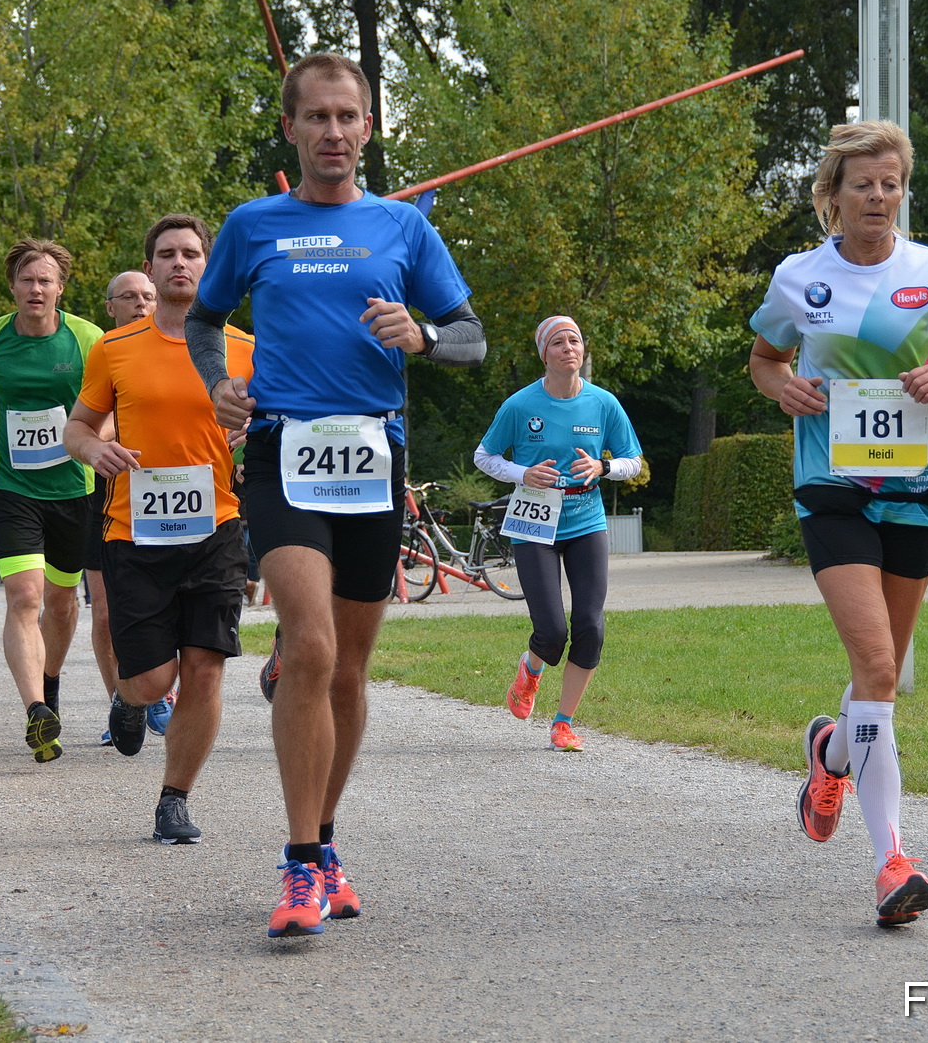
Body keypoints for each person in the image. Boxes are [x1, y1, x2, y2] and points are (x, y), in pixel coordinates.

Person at [186, 52, 487, 937]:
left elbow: (470, 338)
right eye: (314, 117)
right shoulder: (252, 224)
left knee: (349, 672)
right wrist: (217, 383)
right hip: (283, 455)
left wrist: (424, 334)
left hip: (372, 460)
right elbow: (205, 320)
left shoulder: (401, 228)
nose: (332, 132)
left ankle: (322, 838)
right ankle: (298, 864)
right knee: (310, 649)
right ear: (290, 129)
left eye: (346, 116)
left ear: (368, 128)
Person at [748, 121, 928, 928]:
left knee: (883, 676)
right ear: (833, 194)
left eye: (890, 183)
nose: (877, 196)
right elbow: (764, 360)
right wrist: (784, 387)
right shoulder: (800, 277)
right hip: (831, 486)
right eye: (862, 183)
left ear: (904, 191)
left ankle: (830, 753)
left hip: (918, 491)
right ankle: (891, 863)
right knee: (874, 664)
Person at [67, 214, 252, 844]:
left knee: (205, 667)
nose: (180, 263)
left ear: (209, 266)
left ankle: (175, 798)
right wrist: (94, 452)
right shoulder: (115, 349)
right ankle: (129, 698)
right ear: (148, 269)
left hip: (217, 527)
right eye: (167, 254)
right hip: (136, 531)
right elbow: (76, 428)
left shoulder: (245, 347)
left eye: (192, 254)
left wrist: (255, 430)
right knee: (153, 679)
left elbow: (283, 424)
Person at [0, 239, 103, 763]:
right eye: (27, 280)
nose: (36, 289)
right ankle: (36, 708)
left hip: (75, 490)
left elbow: (113, 405)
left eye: (46, 280)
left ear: (60, 287)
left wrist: (105, 450)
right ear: (12, 285)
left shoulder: (87, 339)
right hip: (12, 489)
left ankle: (49, 683)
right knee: (24, 599)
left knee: (60, 605)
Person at [474, 316, 643, 753]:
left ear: (583, 351)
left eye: (575, 340)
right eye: (558, 342)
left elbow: (633, 461)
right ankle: (530, 671)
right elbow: (484, 456)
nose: (569, 347)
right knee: (550, 632)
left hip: (586, 520)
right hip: (533, 523)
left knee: (590, 625)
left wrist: (603, 467)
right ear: (543, 354)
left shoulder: (604, 404)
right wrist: (522, 472)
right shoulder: (519, 405)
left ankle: (563, 722)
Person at [87, 269, 160, 743]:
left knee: (168, 604)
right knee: (107, 614)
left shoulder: (188, 346)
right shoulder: (104, 354)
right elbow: (87, 423)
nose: (141, 303)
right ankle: (122, 701)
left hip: (172, 494)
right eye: (129, 297)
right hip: (105, 496)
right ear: (110, 308)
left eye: (147, 296)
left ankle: (159, 695)